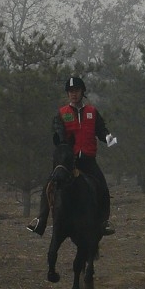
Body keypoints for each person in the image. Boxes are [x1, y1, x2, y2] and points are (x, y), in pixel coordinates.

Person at [27, 77, 116, 236]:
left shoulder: (92, 112)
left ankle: (104, 221)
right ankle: (41, 220)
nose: (73, 94)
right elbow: (58, 130)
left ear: (82, 92)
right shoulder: (62, 113)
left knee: (103, 186)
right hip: (69, 161)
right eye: (70, 92)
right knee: (49, 184)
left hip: (88, 160)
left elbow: (101, 130)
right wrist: (63, 143)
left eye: (76, 91)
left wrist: (108, 138)